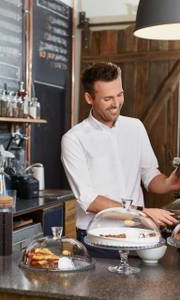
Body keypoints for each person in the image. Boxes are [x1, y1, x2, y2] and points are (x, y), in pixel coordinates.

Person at [61, 62, 179, 258]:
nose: (116, 103)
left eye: (120, 94)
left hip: (139, 234)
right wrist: (142, 212)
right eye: (108, 98)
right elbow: (88, 200)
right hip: (98, 237)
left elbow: (150, 176)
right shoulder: (74, 139)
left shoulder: (135, 127)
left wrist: (169, 183)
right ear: (89, 98)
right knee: (105, 289)